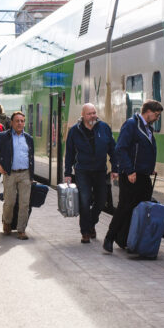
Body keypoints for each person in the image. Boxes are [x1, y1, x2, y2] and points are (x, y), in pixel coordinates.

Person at [103, 100, 163, 253]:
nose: (157, 118)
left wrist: (149, 169)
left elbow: (143, 150)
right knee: (124, 207)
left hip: (143, 175)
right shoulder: (131, 124)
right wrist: (129, 171)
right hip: (131, 175)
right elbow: (121, 148)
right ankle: (109, 238)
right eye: (156, 115)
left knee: (140, 208)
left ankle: (125, 239)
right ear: (148, 112)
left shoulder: (147, 128)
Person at [64, 103, 117, 244]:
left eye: (94, 113)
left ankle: (91, 223)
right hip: (83, 171)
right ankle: (85, 232)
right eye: (89, 114)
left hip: (100, 171)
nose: (93, 116)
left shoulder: (104, 128)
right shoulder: (75, 131)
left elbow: (113, 149)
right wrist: (67, 172)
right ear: (82, 115)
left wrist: (115, 168)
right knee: (84, 200)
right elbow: (69, 153)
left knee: (101, 201)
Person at [0, 111, 35, 240]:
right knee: (9, 202)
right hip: (10, 174)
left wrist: (31, 176)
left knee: (24, 203)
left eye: (22, 121)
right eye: (17, 121)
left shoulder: (29, 138)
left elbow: (31, 158)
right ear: (12, 123)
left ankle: (21, 230)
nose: (20, 123)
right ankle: (7, 222)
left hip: (25, 174)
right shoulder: (3, 137)